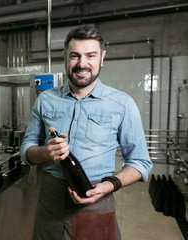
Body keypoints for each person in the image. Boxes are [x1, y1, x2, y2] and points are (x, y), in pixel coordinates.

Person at [20, 25, 153, 240]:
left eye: (90, 55)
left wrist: (109, 185)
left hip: (97, 199)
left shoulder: (122, 104)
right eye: (75, 56)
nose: (82, 64)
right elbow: (26, 149)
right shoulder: (45, 99)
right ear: (65, 57)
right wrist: (46, 152)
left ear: (102, 58)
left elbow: (140, 163)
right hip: (51, 201)